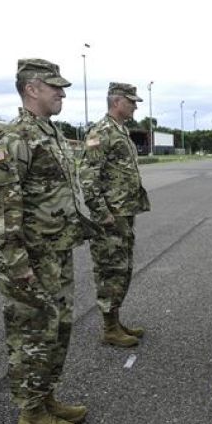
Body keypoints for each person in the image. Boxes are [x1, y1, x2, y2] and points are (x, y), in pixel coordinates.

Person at [0, 59, 89, 424]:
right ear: (32, 89)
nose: (62, 93)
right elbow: (2, 207)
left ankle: (46, 398)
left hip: (56, 252)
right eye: (54, 86)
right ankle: (31, 414)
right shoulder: (14, 139)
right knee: (32, 334)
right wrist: (16, 262)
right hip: (31, 259)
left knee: (56, 331)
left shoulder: (49, 132)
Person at [80, 82, 150, 348]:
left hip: (123, 212)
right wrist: (101, 212)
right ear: (117, 102)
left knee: (122, 268)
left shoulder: (121, 130)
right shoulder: (101, 131)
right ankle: (109, 327)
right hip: (110, 216)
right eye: (131, 101)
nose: (135, 106)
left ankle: (115, 320)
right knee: (110, 269)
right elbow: (88, 174)